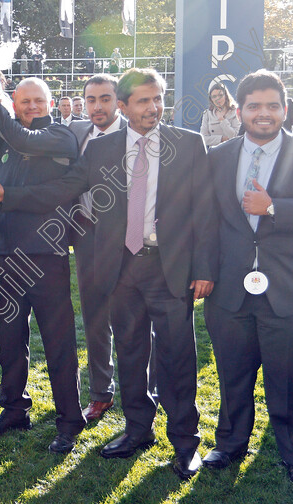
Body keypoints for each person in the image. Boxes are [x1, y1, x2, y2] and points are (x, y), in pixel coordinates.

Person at [203, 70, 293, 491]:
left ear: (285, 108)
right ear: (239, 109)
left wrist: (274, 207)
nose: (263, 114)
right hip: (230, 290)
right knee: (232, 374)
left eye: (271, 106)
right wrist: (204, 273)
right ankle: (229, 444)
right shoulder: (218, 157)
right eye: (254, 106)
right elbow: (207, 223)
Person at [82, 68, 216, 480]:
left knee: (178, 357)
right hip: (120, 270)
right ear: (122, 106)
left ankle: (184, 443)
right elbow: (86, 211)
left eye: (158, 98)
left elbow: (205, 212)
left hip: (170, 269)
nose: (154, 107)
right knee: (130, 353)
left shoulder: (189, 143)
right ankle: (137, 430)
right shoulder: (99, 151)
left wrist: (205, 268)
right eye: (143, 100)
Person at [0, 77, 87, 454]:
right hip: (9, 258)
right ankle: (14, 409)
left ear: (50, 103)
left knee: (58, 344)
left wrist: (7, 195)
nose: (31, 107)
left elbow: (53, 194)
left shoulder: (60, 138)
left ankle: (69, 421)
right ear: (15, 105)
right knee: (10, 343)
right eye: (24, 101)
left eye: (38, 100)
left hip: (47, 259)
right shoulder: (8, 148)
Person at [66, 74, 128, 422]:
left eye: (105, 99)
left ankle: (146, 388)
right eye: (91, 100)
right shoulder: (76, 134)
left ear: (118, 101)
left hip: (126, 241)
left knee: (133, 317)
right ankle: (102, 392)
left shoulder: (134, 135)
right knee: (94, 317)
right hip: (85, 235)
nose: (97, 106)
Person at [200, 82, 241, 147]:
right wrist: (221, 138)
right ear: (211, 99)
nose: (217, 99)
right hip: (214, 153)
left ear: (226, 96)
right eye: (214, 96)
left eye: (220, 95)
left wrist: (222, 120)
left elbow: (236, 136)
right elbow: (203, 138)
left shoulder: (235, 112)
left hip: (232, 152)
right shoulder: (207, 114)